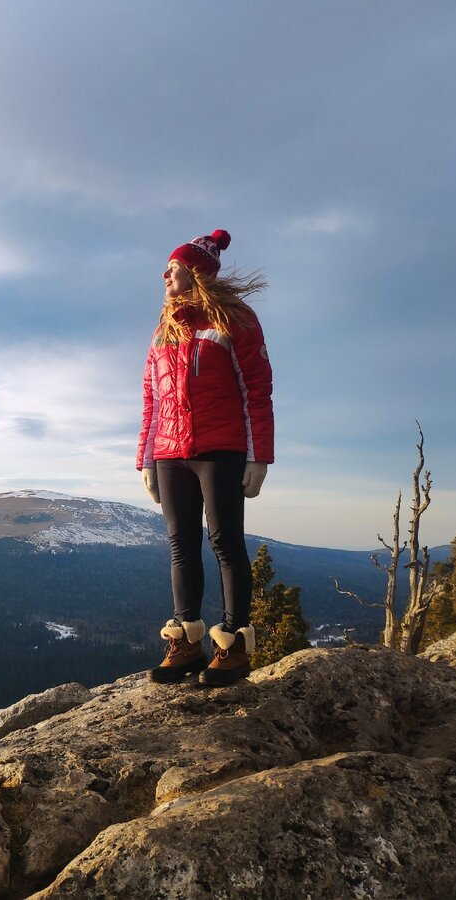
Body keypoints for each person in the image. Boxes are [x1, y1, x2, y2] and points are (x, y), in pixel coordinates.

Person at [136, 228, 274, 686]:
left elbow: (257, 391)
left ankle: (233, 645)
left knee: (225, 542)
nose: (164, 275)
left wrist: (259, 457)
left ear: (194, 272)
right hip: (170, 451)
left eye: (172, 268)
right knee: (180, 543)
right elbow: (152, 401)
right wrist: (147, 460)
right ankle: (186, 641)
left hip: (221, 448)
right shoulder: (164, 331)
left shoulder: (235, 321)